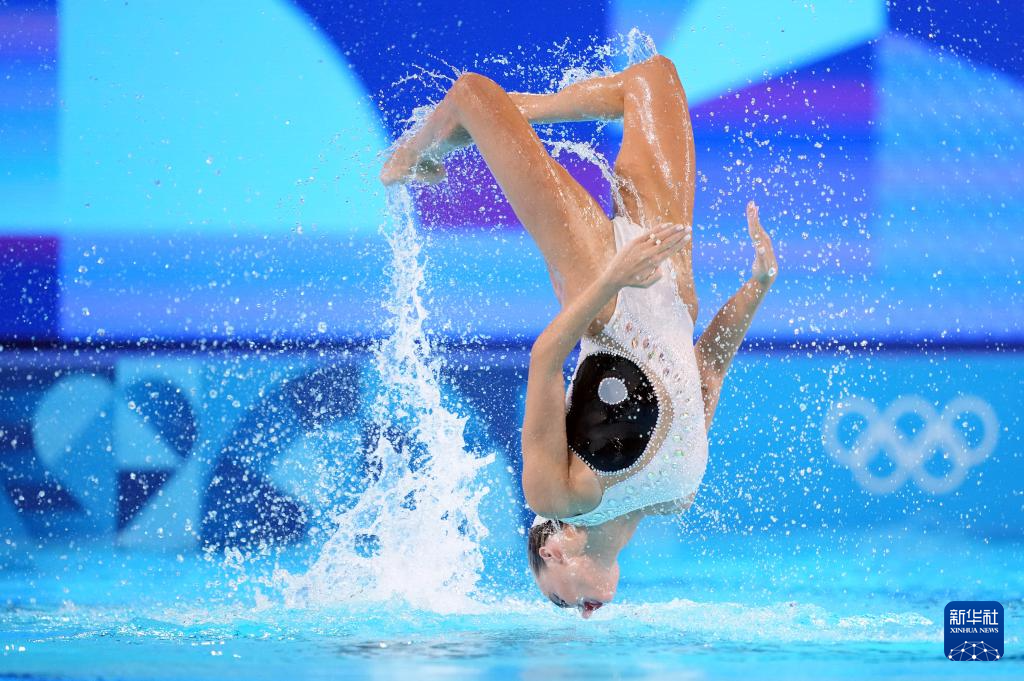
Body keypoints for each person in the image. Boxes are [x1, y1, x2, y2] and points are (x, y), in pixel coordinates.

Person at [381, 54, 778, 618]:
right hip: (669, 280)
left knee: (474, 95)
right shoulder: (674, 497)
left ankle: (415, 149)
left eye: (559, 601)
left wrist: (611, 278)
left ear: (553, 551)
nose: (582, 611)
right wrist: (757, 286)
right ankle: (514, 117)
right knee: (654, 79)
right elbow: (709, 370)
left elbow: (545, 359)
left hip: (607, 297)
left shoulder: (557, 496)